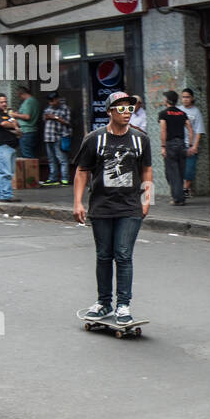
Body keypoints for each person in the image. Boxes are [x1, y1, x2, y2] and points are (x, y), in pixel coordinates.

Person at [72, 90, 153, 325]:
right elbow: (82, 171)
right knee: (104, 256)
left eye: (130, 108)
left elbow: (147, 169)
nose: (127, 112)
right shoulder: (94, 139)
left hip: (129, 207)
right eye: (121, 109)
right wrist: (77, 202)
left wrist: (147, 199)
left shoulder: (141, 139)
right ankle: (104, 302)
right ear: (109, 112)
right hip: (101, 207)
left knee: (124, 255)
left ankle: (123, 305)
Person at [158, 90, 194, 205]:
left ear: (167, 100)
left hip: (170, 145)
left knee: (172, 173)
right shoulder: (182, 113)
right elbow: (190, 129)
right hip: (182, 145)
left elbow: (163, 130)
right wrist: (191, 145)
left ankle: (178, 199)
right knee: (179, 172)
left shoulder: (163, 114)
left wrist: (163, 146)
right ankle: (179, 196)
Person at [0, 93, 21, 202]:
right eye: (1, 102)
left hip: (11, 146)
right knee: (4, 172)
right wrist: (14, 126)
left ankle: (7, 194)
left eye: (5, 102)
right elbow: (3, 124)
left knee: (10, 172)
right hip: (3, 146)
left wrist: (13, 123)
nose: (4, 104)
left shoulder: (7, 114)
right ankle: (4, 195)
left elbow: (15, 122)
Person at [41, 92, 72, 186]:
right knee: (51, 159)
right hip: (48, 137)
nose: (51, 103)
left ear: (57, 99)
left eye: (52, 101)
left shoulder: (65, 108)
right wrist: (47, 117)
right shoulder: (48, 109)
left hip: (59, 136)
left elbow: (68, 122)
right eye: (49, 101)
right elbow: (44, 119)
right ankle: (53, 178)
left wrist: (55, 117)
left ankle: (65, 179)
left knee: (62, 159)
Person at [180, 88, 205, 199]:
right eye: (183, 97)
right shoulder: (178, 110)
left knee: (189, 169)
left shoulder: (196, 112)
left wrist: (195, 146)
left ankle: (185, 189)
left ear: (192, 98)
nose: (185, 99)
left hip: (191, 146)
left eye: (187, 97)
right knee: (180, 169)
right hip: (179, 145)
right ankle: (181, 189)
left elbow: (199, 130)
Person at [11, 86, 40, 159]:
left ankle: (31, 170)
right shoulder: (34, 101)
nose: (20, 98)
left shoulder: (28, 102)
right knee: (31, 154)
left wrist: (15, 115)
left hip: (27, 132)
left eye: (19, 96)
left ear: (22, 94)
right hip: (32, 131)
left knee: (28, 156)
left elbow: (27, 116)